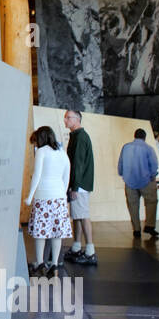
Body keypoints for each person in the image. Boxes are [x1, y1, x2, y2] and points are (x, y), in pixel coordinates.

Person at [24, 126, 72, 278]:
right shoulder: (62, 153)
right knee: (56, 234)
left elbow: (37, 175)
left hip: (43, 197)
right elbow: (66, 175)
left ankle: (40, 264)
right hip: (59, 199)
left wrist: (29, 196)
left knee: (40, 233)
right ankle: (54, 265)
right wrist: (62, 193)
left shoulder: (41, 152)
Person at [63, 109, 97, 265]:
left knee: (83, 216)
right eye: (65, 118)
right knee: (77, 216)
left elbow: (78, 163)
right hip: (78, 184)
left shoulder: (80, 137)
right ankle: (76, 246)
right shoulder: (77, 136)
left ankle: (90, 251)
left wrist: (75, 186)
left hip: (80, 185)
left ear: (77, 119)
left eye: (68, 118)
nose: (65, 120)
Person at [118, 128, 159, 240]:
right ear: (144, 137)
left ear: (135, 136)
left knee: (132, 205)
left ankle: (136, 229)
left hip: (129, 181)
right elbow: (154, 165)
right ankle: (149, 226)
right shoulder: (148, 148)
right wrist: (153, 175)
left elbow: (121, 163)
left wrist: (122, 174)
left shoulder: (126, 147)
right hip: (146, 181)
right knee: (151, 202)